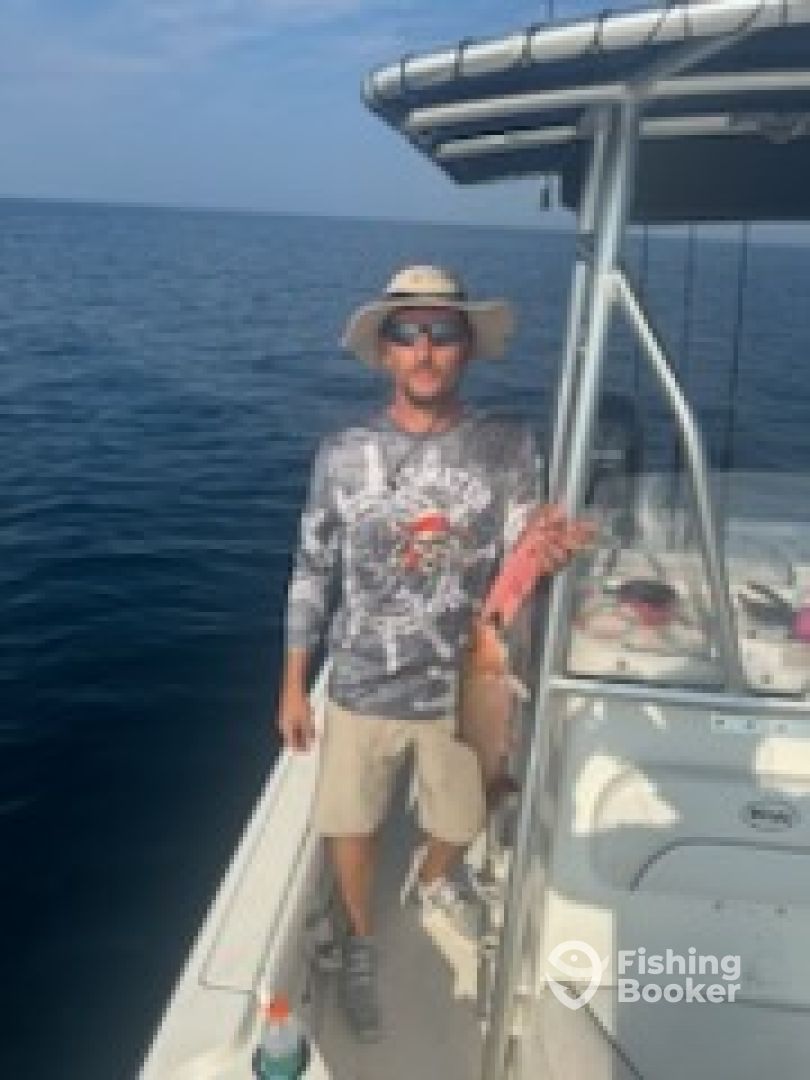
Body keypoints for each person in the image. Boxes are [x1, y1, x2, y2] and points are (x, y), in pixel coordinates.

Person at [276, 264, 589, 1042]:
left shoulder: (506, 443)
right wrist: (293, 683)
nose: (424, 349)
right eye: (406, 332)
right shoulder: (342, 452)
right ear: (385, 350)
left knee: (469, 808)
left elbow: (519, 555)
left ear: (467, 348)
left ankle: (435, 877)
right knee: (352, 823)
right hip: (359, 681)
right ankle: (360, 940)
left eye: (443, 332)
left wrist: (546, 553)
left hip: (466, 682)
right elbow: (311, 569)